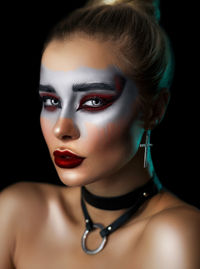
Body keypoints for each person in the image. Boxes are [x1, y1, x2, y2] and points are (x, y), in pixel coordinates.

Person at [0, 0, 200, 268]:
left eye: (93, 101)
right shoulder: (17, 212)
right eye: (51, 101)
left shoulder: (178, 235)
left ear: (154, 109)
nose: (61, 128)